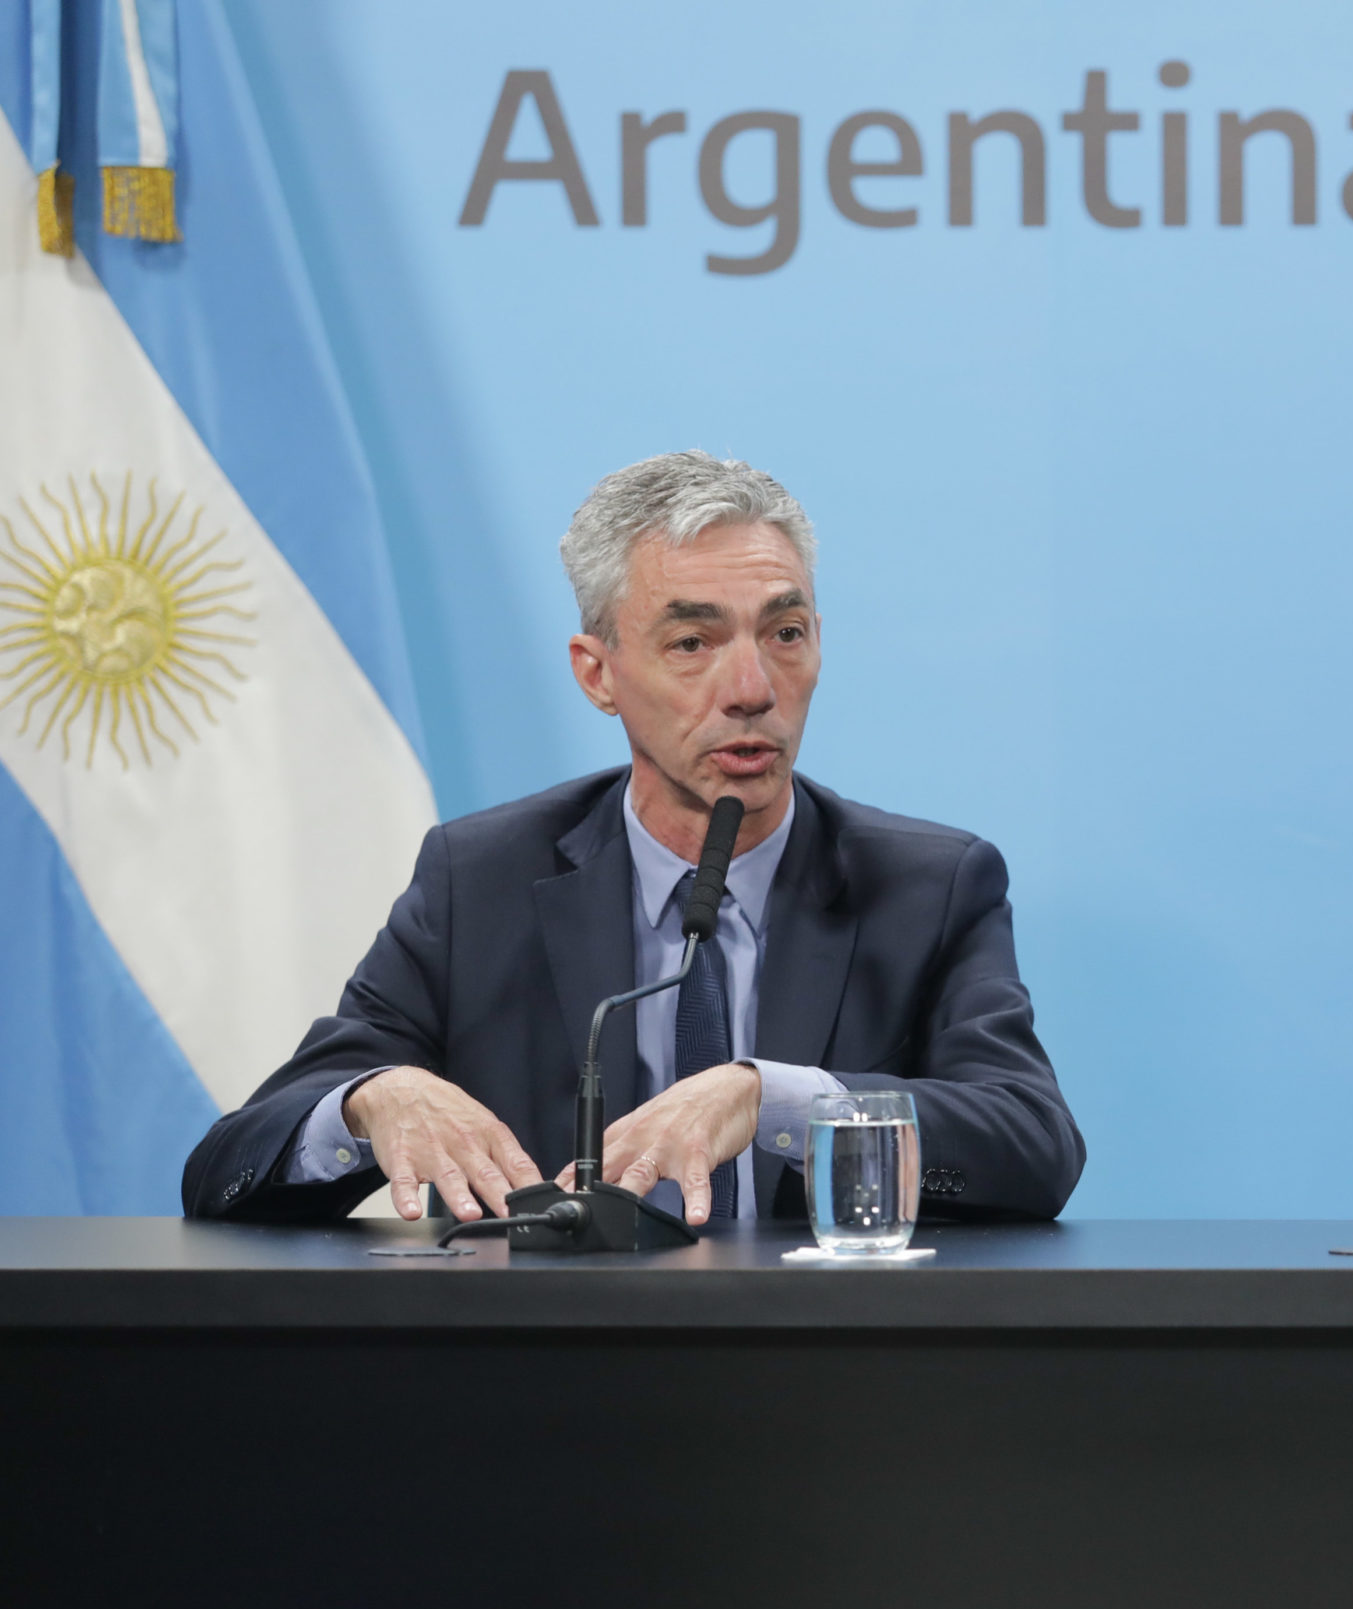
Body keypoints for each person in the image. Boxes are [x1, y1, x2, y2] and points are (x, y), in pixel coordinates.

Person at [184, 452, 1083, 1225]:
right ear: (598, 673)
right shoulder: (483, 880)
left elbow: (1033, 1145)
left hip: (825, 1382)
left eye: (786, 633)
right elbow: (227, 1169)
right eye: (693, 641)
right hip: (553, 1386)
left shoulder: (925, 885)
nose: (752, 687)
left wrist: (773, 1098)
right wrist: (370, 1101)